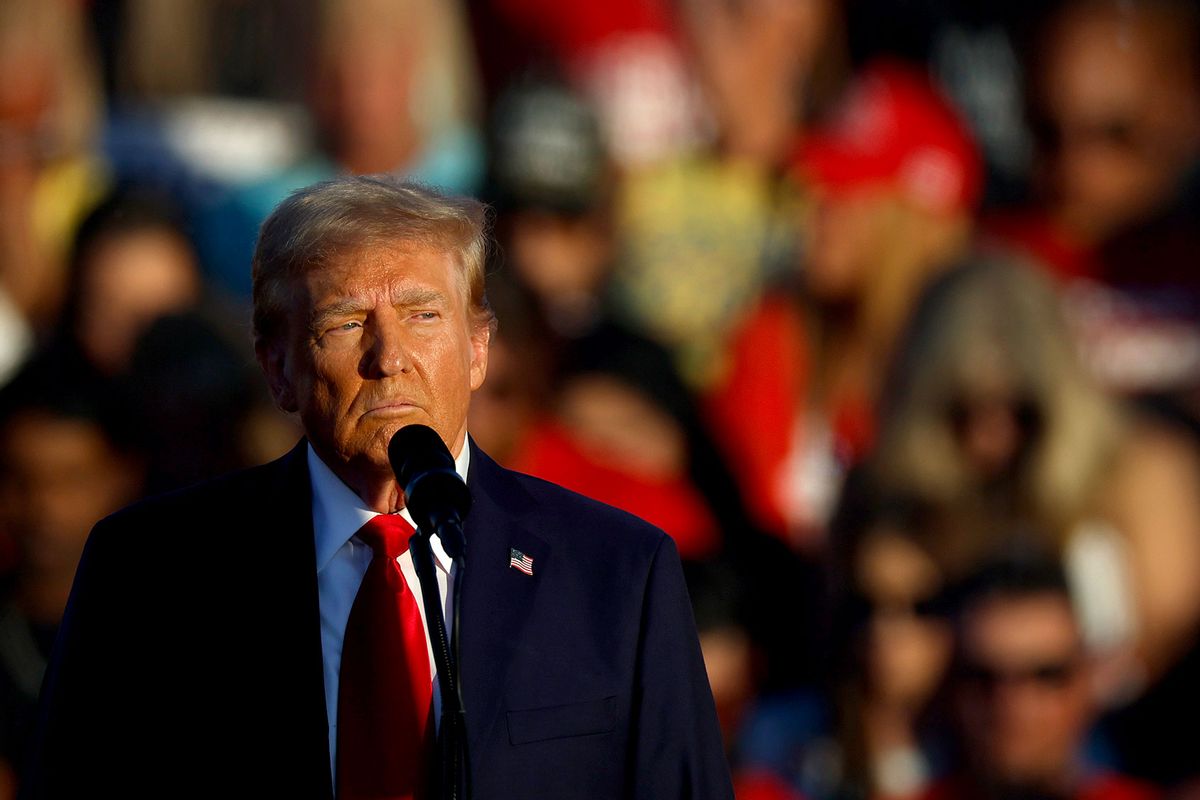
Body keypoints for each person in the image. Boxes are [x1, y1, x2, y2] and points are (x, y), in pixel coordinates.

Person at [26, 176, 732, 799]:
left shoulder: (616, 576)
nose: (389, 356)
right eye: (344, 322)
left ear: (479, 348)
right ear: (278, 368)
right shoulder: (148, 574)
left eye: (423, 315)